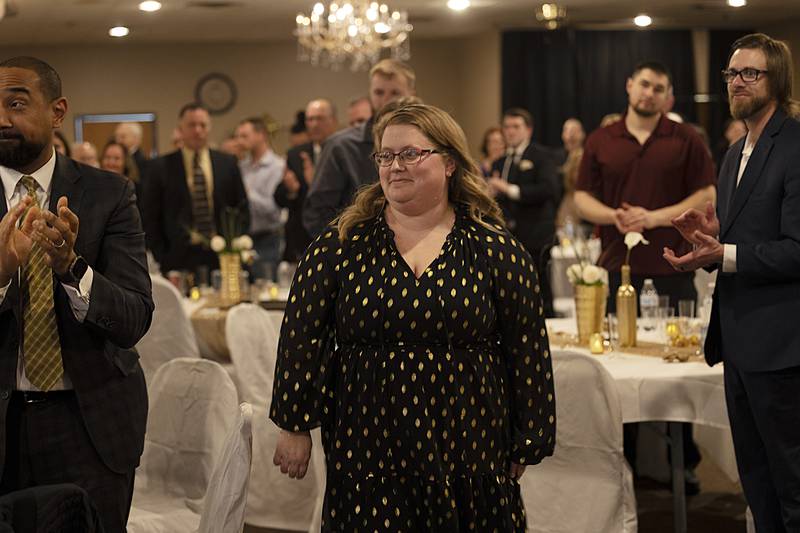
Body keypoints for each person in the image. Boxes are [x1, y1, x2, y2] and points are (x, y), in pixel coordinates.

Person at [270, 103, 555, 531]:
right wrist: (293, 424)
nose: (394, 166)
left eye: (410, 154)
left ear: (450, 163)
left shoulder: (496, 248)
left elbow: (527, 349)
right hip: (367, 440)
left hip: (470, 438)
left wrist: (528, 437)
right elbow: (301, 336)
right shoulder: (340, 245)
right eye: (385, 156)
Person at [0, 56, 153, 532]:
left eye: (16, 103)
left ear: (58, 110)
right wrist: (0, 273)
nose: (1, 119)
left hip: (89, 425)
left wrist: (71, 268)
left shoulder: (110, 195)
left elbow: (133, 320)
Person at [664, 33, 800, 532]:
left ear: (776, 80)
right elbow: (743, 236)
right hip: (740, 342)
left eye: (750, 74)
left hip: (785, 347)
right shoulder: (734, 152)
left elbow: (797, 248)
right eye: (731, 74)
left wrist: (727, 252)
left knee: (793, 487)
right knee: (756, 483)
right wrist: (706, 241)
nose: (737, 83)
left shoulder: (796, 144)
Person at [574, 61, 716, 309]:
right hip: (619, 268)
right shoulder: (600, 139)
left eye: (658, 89)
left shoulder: (686, 137)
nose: (650, 94)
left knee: (679, 347)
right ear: (629, 85)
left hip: (675, 268)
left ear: (667, 97)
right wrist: (614, 216)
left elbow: (707, 195)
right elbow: (581, 199)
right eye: (645, 84)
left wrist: (651, 218)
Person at [302, 58, 416, 238]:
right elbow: (317, 213)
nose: (386, 100)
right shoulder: (340, 146)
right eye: (379, 92)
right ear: (370, 94)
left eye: (395, 93)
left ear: (411, 93)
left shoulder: (427, 143)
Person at [143, 103, 249, 277]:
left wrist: (234, 246)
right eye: (192, 125)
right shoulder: (160, 167)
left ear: (209, 128)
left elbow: (242, 207)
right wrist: (162, 255)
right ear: (180, 129)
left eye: (203, 125)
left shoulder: (227, 163)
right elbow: (150, 217)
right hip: (177, 257)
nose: (198, 130)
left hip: (222, 254)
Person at [489, 108, 559, 317]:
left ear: (528, 130)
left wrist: (508, 189)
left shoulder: (541, 156)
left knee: (539, 286)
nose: (510, 132)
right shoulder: (500, 162)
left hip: (537, 233)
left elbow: (549, 189)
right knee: (511, 288)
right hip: (509, 235)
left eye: (516, 127)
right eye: (507, 127)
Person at [274, 98, 338, 264]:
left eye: (320, 118)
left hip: (337, 235)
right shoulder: (296, 154)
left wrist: (315, 183)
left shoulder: (344, 152)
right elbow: (278, 197)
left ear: (334, 121)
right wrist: (291, 190)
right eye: (310, 119)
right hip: (302, 241)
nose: (314, 124)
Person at [235, 117, 285, 280]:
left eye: (244, 136)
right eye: (238, 136)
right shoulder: (242, 167)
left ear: (261, 135)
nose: (240, 141)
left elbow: (274, 208)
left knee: (266, 288)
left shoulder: (277, 166)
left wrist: (247, 193)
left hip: (267, 238)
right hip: (243, 238)